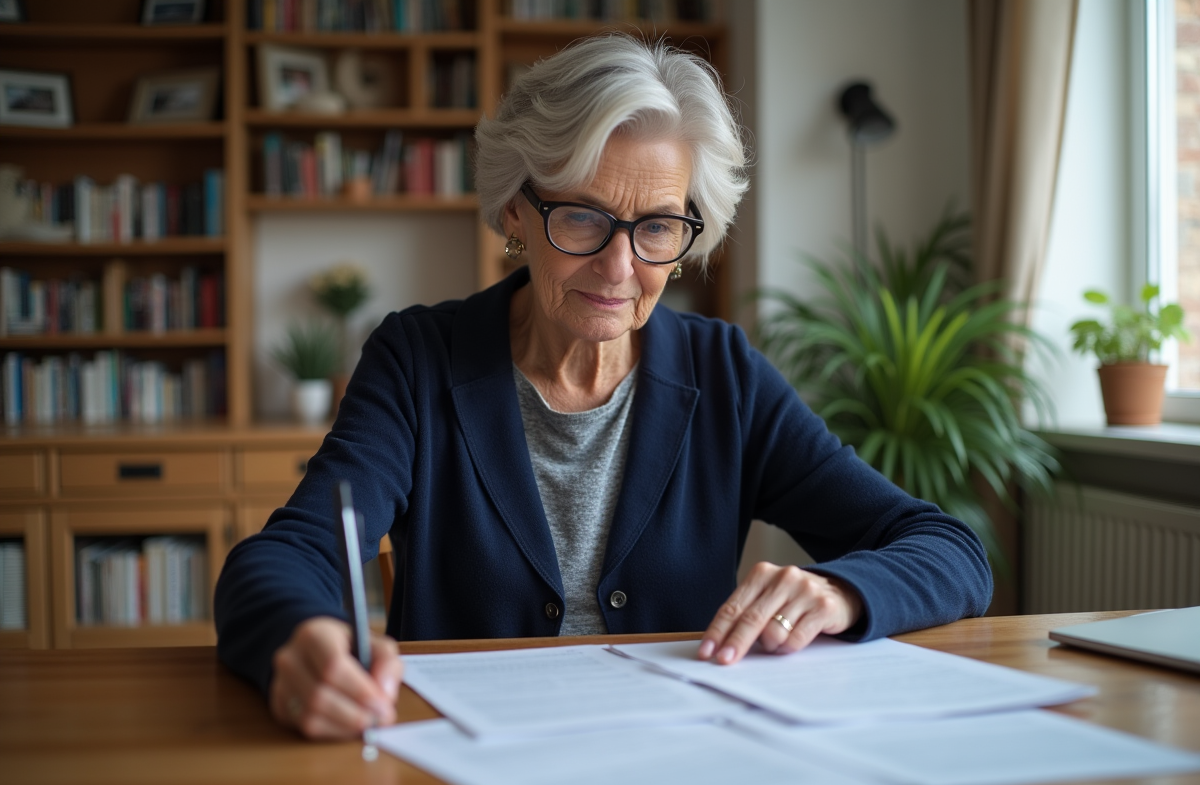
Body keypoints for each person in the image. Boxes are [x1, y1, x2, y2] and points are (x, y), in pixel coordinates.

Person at [214, 34, 992, 741]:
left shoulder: (724, 374)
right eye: (583, 219)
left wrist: (841, 593)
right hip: (469, 762)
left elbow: (951, 550)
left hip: (678, 761)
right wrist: (300, 638)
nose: (620, 269)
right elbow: (289, 554)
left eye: (657, 226)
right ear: (517, 211)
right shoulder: (418, 359)